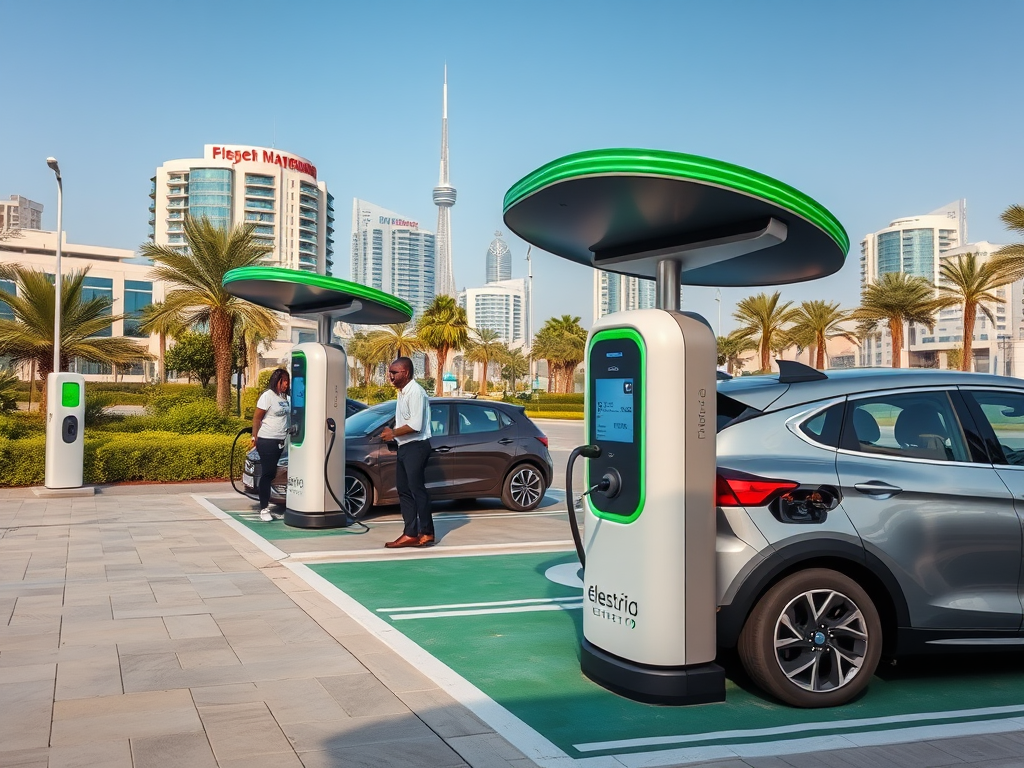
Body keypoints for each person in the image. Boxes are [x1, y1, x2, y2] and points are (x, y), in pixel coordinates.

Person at [380, 357, 434, 548]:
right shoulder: (402, 393)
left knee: (416, 489)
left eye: (394, 373)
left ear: (406, 373)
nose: (390, 377)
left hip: (417, 446)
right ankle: (410, 533)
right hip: (405, 446)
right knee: (404, 490)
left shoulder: (415, 392)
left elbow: (416, 425)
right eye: (390, 372)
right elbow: (403, 420)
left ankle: (426, 532)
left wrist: (393, 432)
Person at [250, 368, 290, 522]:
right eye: (283, 381)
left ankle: (281, 503)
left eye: (287, 381)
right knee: (268, 473)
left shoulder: (285, 397)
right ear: (276, 381)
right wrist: (254, 437)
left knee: (278, 474)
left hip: (282, 440)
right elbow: (257, 418)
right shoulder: (267, 396)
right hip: (267, 440)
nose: (285, 384)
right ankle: (264, 508)